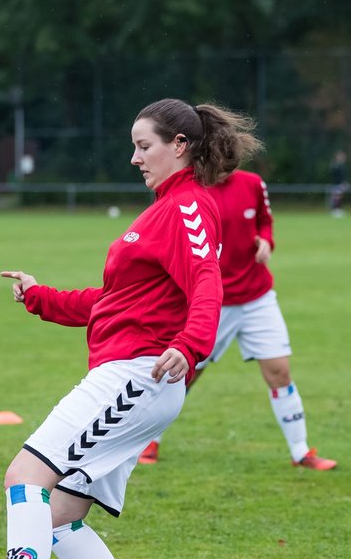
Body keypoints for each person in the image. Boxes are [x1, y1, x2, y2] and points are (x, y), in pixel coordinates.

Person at [0, 98, 260, 559]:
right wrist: (41, 297)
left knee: (25, 477)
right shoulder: (162, 211)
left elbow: (207, 285)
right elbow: (116, 303)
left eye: (144, 145)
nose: (134, 157)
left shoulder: (188, 207)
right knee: (60, 519)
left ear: (180, 145)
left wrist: (192, 346)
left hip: (136, 376)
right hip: (134, 374)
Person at [138, 168, 337, 471]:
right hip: (210, 304)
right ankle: (149, 441)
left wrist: (267, 241)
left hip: (258, 297)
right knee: (184, 374)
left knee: (280, 372)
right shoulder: (188, 191)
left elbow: (264, 221)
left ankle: (301, 452)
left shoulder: (253, 183)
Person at [328, 150, 348, 217]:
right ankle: (335, 210)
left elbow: (342, 176)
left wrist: (344, 182)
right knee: (336, 197)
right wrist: (341, 183)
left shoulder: (341, 165)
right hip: (336, 184)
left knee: (339, 197)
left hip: (339, 184)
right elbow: (335, 176)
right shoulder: (336, 165)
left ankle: (338, 210)